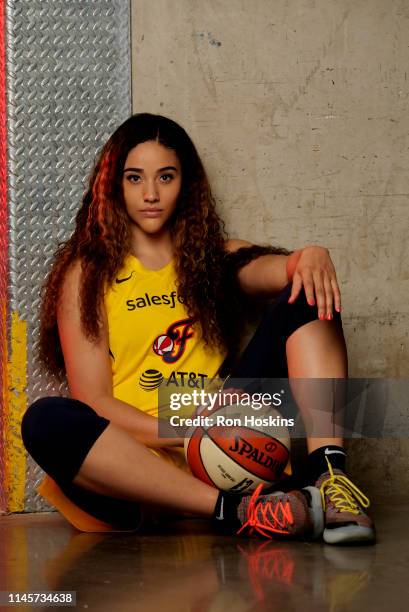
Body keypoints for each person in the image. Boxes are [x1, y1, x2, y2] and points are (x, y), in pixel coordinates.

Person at [21, 113, 375, 544]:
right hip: (136, 468)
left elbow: (267, 270)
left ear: (185, 184)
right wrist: (191, 435)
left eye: (165, 177)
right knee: (46, 420)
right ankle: (242, 513)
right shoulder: (88, 273)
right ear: (114, 184)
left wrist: (306, 258)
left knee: (308, 291)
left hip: (232, 453)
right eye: (135, 178)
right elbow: (95, 401)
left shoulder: (209, 259)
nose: (150, 194)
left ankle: (330, 479)